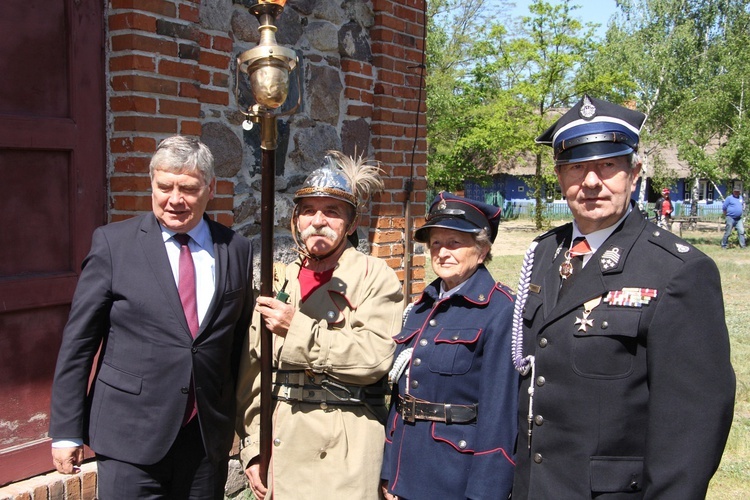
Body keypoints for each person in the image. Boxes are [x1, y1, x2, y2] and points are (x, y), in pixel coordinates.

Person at [511, 95, 735, 499]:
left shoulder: (677, 271)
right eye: (577, 167)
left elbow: (693, 424)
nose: (591, 182)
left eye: (607, 165)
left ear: (634, 173)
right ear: (560, 178)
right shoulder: (544, 253)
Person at [49, 135, 255, 498]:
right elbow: (79, 343)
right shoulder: (114, 245)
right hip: (130, 437)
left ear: (211, 188)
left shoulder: (236, 249)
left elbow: (238, 343)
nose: (175, 199)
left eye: (188, 188)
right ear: (152, 185)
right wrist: (67, 431)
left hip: (205, 440)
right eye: (164, 187)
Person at [236, 151, 404, 500]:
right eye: (308, 211)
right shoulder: (279, 282)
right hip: (284, 443)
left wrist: (295, 328)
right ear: (295, 220)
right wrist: (253, 446)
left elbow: (374, 358)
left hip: (347, 447)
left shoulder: (376, 277)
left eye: (332, 212)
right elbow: (252, 375)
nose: (318, 221)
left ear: (351, 224)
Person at [380, 192, 517, 500]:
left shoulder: (500, 310)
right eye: (436, 244)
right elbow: (401, 399)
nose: (442, 253)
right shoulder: (421, 307)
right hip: (406, 468)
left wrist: (485, 493)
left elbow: (500, 414)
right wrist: (390, 471)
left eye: (455, 243)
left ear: (482, 251)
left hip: (456, 476)